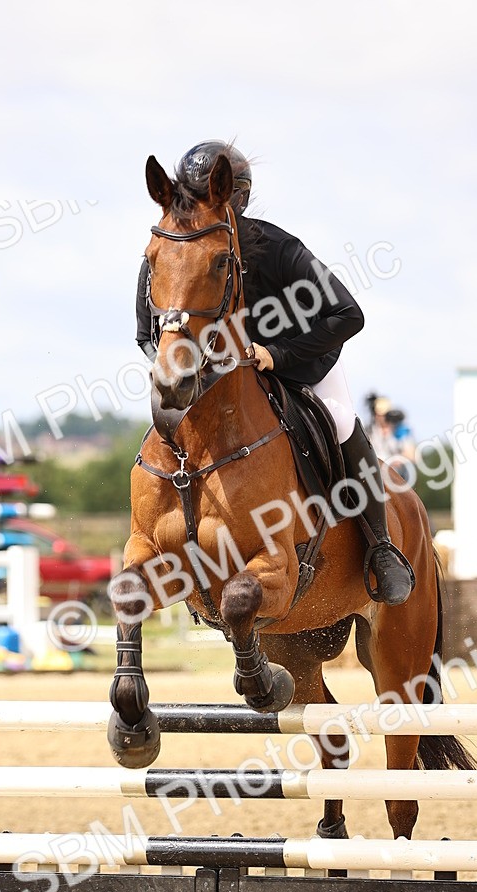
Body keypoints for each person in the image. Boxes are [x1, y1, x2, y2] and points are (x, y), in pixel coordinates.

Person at [135, 140, 413, 606]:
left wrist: (278, 354)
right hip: (214, 377)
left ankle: (381, 547)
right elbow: (147, 333)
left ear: (233, 197)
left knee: (342, 421)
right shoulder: (173, 249)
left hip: (299, 363)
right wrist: (182, 370)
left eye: (209, 198)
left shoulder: (279, 248)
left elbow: (348, 315)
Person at [367, 394, 417, 487]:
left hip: (396, 477)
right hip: (375, 476)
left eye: (385, 414)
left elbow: (412, 455)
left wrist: (398, 460)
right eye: (379, 414)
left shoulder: (401, 430)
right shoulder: (369, 431)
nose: (381, 418)